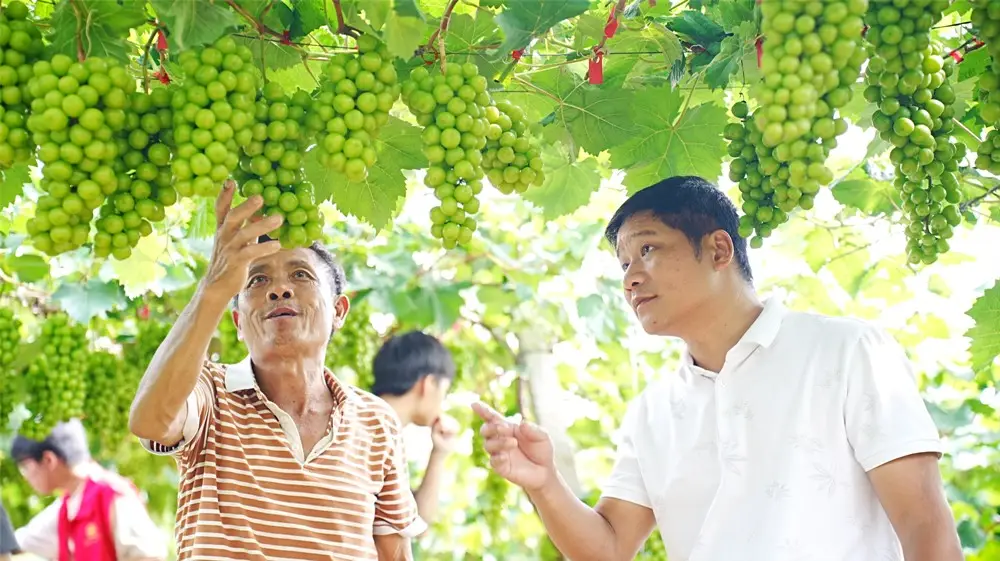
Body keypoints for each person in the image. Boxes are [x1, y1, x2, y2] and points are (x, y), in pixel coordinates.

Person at [472, 176, 964, 561]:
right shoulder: (653, 412)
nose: (631, 278)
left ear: (719, 250)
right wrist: (545, 484)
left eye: (647, 249)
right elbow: (608, 548)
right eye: (623, 264)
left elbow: (925, 524)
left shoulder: (846, 350)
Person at [128, 180, 423, 561]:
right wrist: (213, 287)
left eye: (300, 275)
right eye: (258, 279)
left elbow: (395, 553)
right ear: (237, 321)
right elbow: (150, 421)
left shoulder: (376, 421)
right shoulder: (208, 393)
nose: (278, 289)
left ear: (339, 311)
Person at [10, 419, 166, 561]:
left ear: (48, 460)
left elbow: (150, 556)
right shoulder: (66, 508)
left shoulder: (112, 496)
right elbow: (17, 542)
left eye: (25, 467)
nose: (25, 476)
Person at [371, 331, 459, 527]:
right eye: (444, 391)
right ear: (427, 384)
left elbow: (415, 522)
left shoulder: (377, 428)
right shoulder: (376, 433)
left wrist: (439, 454)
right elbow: (412, 528)